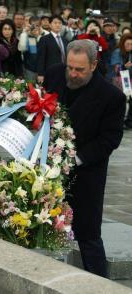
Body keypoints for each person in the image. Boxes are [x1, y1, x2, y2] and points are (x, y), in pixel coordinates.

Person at [43, 39, 126, 278]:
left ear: (93, 65)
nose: (73, 73)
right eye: (70, 67)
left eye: (79, 69)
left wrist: (75, 159)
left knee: (88, 236)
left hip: (87, 175)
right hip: (49, 171)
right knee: (43, 227)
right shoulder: (55, 75)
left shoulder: (111, 97)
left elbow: (110, 139)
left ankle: (100, 285)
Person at [37, 15, 67, 84]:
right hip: (50, 72)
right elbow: (41, 57)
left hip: (64, 72)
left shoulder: (65, 40)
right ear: (50, 25)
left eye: (60, 23)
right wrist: (40, 74)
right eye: (55, 23)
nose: (58, 25)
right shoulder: (44, 39)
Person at [111, 33, 132, 129]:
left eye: (131, 44)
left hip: (129, 80)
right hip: (119, 81)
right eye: (128, 44)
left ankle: (128, 121)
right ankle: (119, 121)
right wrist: (124, 66)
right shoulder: (117, 52)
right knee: (120, 102)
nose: (130, 46)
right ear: (123, 43)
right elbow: (115, 69)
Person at [18, 15, 49, 81]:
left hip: (43, 69)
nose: (35, 27)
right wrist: (24, 33)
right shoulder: (25, 35)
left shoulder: (46, 34)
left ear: (40, 25)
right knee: (30, 89)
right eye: (33, 25)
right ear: (29, 25)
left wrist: (39, 36)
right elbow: (22, 49)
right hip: (29, 69)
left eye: (37, 25)